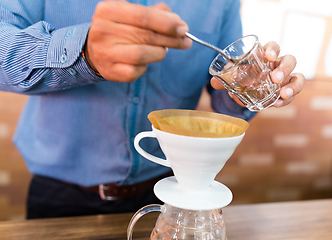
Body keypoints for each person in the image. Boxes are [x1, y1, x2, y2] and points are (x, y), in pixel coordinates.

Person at [0, 0, 305, 219]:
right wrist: (85, 51)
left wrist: (247, 89)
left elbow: (223, 92)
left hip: (170, 193)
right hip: (58, 198)